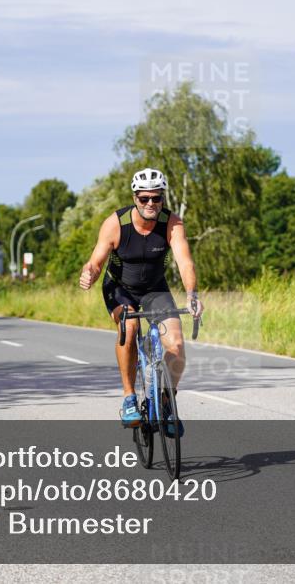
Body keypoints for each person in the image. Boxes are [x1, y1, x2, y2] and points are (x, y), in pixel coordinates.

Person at [78, 168, 204, 434]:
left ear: (163, 198)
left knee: (177, 345)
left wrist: (192, 294)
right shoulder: (116, 223)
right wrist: (89, 272)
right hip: (120, 288)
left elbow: (185, 262)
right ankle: (128, 398)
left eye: (156, 198)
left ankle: (167, 403)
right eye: (144, 198)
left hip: (155, 289)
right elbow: (97, 260)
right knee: (130, 327)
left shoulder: (172, 223)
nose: (150, 204)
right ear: (135, 197)